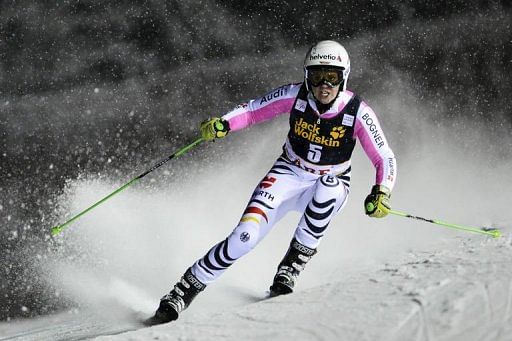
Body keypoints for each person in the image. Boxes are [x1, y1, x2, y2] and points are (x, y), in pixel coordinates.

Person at [145, 40, 397, 325]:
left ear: (344, 77)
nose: (324, 85)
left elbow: (383, 156)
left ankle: (291, 265)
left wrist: (382, 191)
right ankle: (183, 291)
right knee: (244, 238)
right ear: (307, 76)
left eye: (332, 76)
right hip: (288, 173)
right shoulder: (295, 95)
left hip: (331, 179)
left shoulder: (357, 111)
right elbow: (253, 110)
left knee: (328, 188)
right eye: (317, 76)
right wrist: (223, 124)